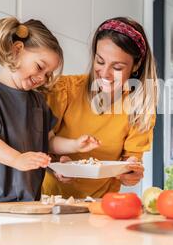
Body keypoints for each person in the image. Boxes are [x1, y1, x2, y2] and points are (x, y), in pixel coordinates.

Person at [0, 17, 99, 204]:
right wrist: (16, 159)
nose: (42, 78)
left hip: (26, 202)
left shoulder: (38, 101)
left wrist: (74, 146)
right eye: (40, 67)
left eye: (48, 74)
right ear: (17, 50)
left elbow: (49, 141)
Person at [42, 17, 158, 199]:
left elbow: (131, 160)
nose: (105, 74)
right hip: (48, 200)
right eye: (100, 61)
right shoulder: (65, 90)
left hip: (99, 205)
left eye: (117, 67)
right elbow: (39, 143)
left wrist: (131, 172)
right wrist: (57, 163)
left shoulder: (139, 108)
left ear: (136, 66)